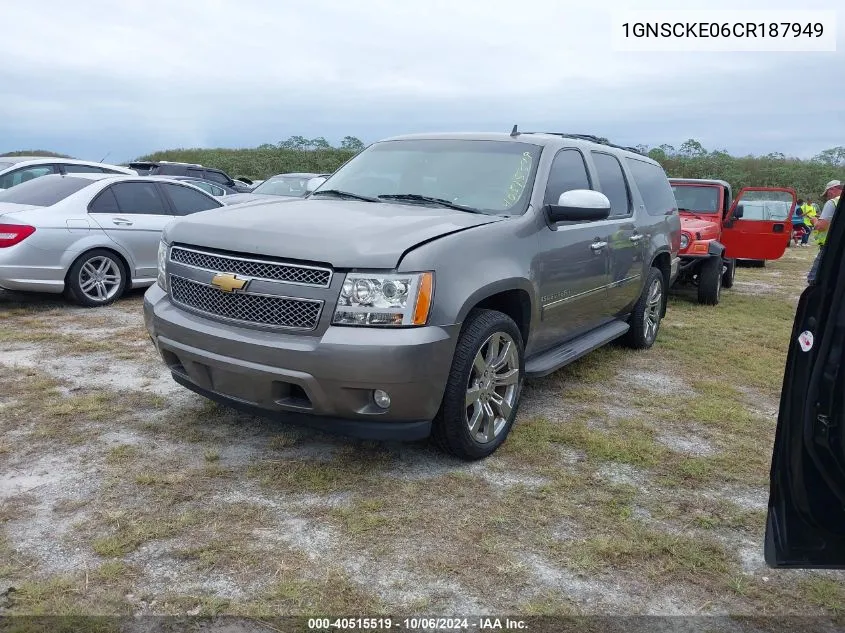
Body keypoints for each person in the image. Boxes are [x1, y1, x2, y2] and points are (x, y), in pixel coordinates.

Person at [808, 180, 843, 284]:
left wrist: (815, 221)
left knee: (814, 278)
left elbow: (821, 227)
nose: (828, 196)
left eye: (827, 193)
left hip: (830, 247)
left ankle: (814, 299)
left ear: (832, 189)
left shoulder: (832, 202)